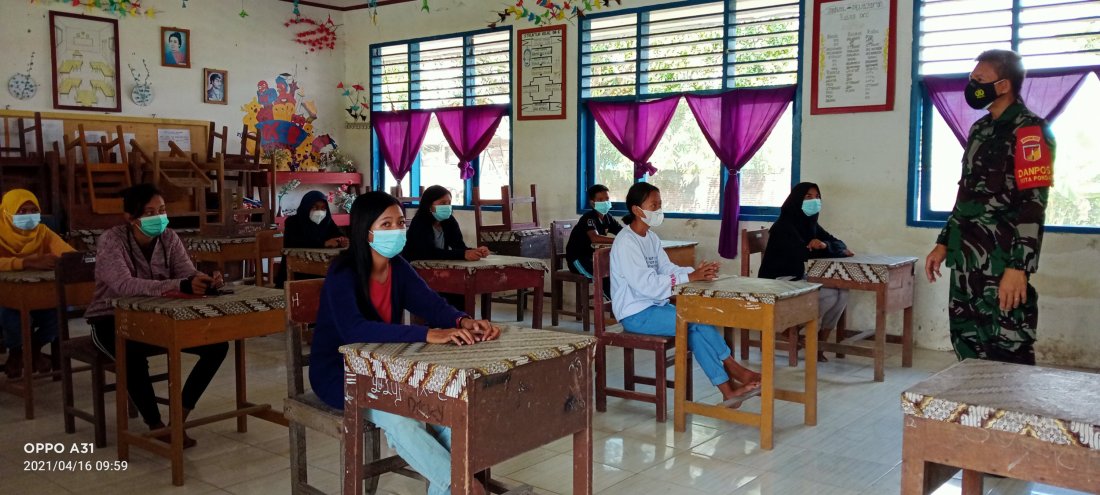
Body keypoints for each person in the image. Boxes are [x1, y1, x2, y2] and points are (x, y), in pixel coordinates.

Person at [310, 191, 500, 495]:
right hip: (340, 373)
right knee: (402, 419)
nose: (396, 230)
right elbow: (354, 330)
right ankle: (468, 488)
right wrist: (425, 334)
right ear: (365, 230)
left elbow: (431, 304)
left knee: (451, 416)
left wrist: (462, 321)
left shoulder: (398, 267)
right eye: (386, 224)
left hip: (386, 368)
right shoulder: (342, 272)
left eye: (400, 222)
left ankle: (459, 489)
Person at [925, 49, 1053, 366]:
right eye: (972, 79)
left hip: (1001, 264)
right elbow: (965, 194)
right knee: (967, 347)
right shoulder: (979, 130)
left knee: (1008, 350)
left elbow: (1033, 204)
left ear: (1004, 85)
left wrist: (1018, 267)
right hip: (965, 261)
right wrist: (943, 243)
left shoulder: (1030, 131)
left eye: (979, 80)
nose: (972, 86)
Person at [85, 184, 227, 448]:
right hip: (110, 318)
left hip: (157, 317)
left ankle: (178, 418)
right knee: (131, 352)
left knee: (217, 346)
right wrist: (178, 285)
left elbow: (186, 272)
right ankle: (156, 425)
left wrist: (203, 280)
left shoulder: (169, 238)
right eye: (149, 213)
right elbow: (124, 285)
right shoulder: (112, 240)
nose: (158, 217)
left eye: (161, 210)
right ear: (130, 217)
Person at [610, 182, 760, 406]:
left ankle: (728, 391)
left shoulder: (651, 238)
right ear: (636, 210)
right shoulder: (626, 242)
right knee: (695, 318)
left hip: (655, 307)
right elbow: (646, 285)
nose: (659, 209)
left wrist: (697, 274)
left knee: (695, 333)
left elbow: (667, 269)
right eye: (653, 205)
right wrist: (690, 277)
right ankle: (734, 368)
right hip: (635, 313)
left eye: (660, 204)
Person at [758, 182, 854, 362]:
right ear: (796, 199)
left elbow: (839, 243)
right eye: (808, 197)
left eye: (817, 197)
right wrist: (828, 249)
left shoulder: (810, 223)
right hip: (778, 279)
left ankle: (819, 342)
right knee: (828, 294)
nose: (814, 201)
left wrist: (825, 245)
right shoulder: (783, 226)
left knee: (842, 291)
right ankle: (790, 329)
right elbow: (805, 254)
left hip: (798, 275)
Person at [0, 189, 75, 378]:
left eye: (33, 210)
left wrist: (63, 260)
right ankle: (16, 352)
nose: (29, 215)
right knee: (10, 313)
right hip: (5, 297)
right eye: (22, 211)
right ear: (7, 212)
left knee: (60, 310)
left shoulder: (42, 232)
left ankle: (33, 349)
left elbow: (69, 255)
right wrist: (26, 262)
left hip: (36, 294)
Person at [402, 185, 489, 309]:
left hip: (437, 270)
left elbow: (459, 246)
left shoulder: (449, 221)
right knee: (447, 295)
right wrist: (463, 254)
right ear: (429, 205)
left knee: (459, 291)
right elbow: (427, 253)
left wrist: (475, 251)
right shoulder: (419, 222)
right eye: (442, 203)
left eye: (449, 203)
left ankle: (460, 320)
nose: (447, 206)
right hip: (417, 271)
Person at [275, 190, 348, 288]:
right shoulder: (293, 222)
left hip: (322, 273)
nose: (320, 211)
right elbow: (294, 242)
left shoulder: (327, 222)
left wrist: (342, 240)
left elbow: (338, 235)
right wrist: (323, 243)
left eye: (323, 208)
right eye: (315, 207)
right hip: (297, 273)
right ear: (306, 206)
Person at [565, 184, 623, 297]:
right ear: (592, 203)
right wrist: (618, 241)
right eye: (600, 200)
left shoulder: (608, 218)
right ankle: (614, 302)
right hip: (578, 260)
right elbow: (595, 238)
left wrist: (633, 236)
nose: (605, 202)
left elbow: (622, 233)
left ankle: (619, 301)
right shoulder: (588, 218)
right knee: (602, 275)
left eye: (607, 199)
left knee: (617, 271)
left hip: (594, 259)